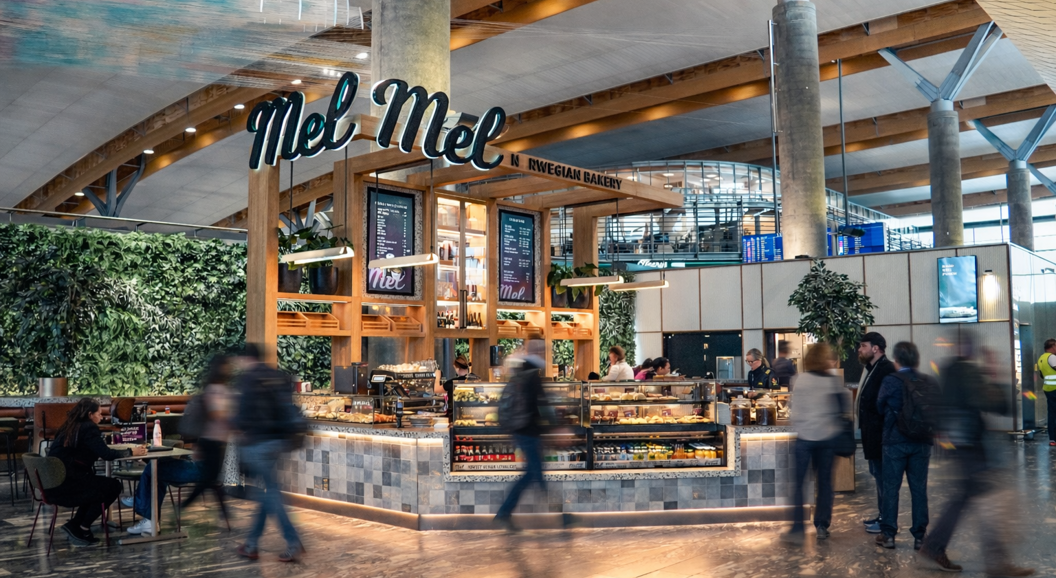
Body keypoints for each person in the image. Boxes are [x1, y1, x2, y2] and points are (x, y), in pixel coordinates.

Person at [918, 334, 1034, 576]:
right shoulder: (967, 372)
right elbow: (997, 404)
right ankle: (996, 563)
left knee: (964, 498)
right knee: (988, 501)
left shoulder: (948, 370)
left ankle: (934, 546)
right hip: (970, 446)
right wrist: (994, 374)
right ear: (970, 349)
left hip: (958, 445)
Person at [121, 355, 234, 535]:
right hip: (206, 462)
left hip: (203, 467)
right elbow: (219, 418)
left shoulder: (214, 391)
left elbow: (218, 415)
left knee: (154, 469)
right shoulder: (220, 392)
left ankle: (144, 509)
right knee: (157, 471)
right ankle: (150, 518)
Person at [235, 344, 305, 563]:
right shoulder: (277, 376)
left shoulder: (248, 379)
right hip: (278, 443)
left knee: (271, 493)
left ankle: (293, 542)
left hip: (257, 444)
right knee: (266, 493)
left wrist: (228, 424)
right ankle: (252, 543)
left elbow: (242, 416)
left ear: (245, 359)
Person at [46, 398, 148, 546]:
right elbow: (106, 454)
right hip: (67, 486)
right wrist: (131, 451)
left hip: (53, 484)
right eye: (99, 414)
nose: (101, 417)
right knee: (113, 486)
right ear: (90, 414)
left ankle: (77, 525)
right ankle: (82, 526)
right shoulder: (88, 428)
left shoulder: (69, 426)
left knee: (100, 486)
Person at [781, 342, 847, 544]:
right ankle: (821, 526)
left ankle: (797, 528)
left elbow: (794, 410)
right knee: (825, 484)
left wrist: (802, 424)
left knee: (799, 484)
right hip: (826, 439)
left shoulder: (799, 379)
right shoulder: (833, 381)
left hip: (804, 439)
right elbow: (841, 409)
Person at [875, 341, 931, 550]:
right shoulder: (926, 380)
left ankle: (888, 534)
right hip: (922, 442)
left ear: (896, 360)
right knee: (919, 489)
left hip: (894, 441)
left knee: (891, 488)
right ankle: (920, 536)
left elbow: (879, 406)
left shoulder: (890, 380)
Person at [494, 339, 547, 533]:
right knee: (535, 475)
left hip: (522, 430)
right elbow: (541, 404)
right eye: (540, 349)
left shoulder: (521, 370)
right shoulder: (533, 373)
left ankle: (504, 513)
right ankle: (562, 517)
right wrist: (555, 427)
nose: (543, 352)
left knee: (532, 474)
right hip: (528, 431)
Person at [855, 332, 895, 534]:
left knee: (882, 478)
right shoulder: (871, 369)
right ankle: (882, 516)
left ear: (875, 348)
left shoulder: (885, 370)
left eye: (863, 346)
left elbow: (884, 404)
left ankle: (886, 520)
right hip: (872, 435)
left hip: (881, 436)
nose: (859, 350)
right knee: (877, 475)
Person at [1036, 338, 1056, 447]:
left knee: (1052, 414)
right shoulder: (1052, 357)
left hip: (1048, 389)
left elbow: (1042, 375)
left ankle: (1052, 438)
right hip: (1055, 389)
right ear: (1052, 346)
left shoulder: (1041, 358)